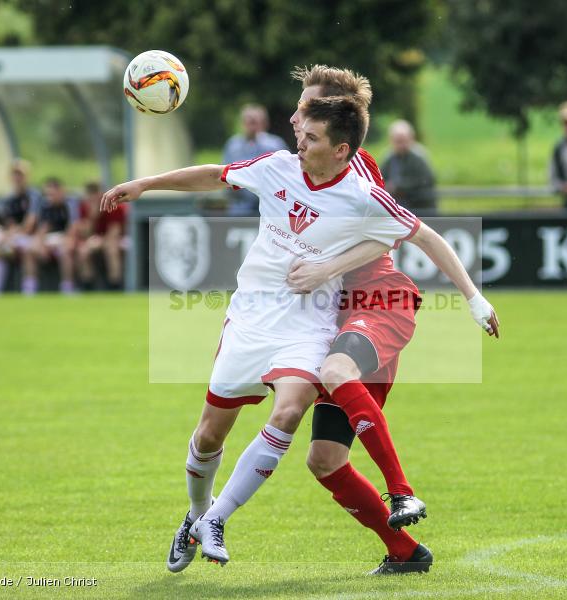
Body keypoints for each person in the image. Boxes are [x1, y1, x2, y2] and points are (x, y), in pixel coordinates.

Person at [102, 95, 497, 570]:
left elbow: (417, 234)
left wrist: (474, 300)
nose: (296, 133)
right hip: (250, 316)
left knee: (290, 409)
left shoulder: (362, 187)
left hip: (313, 320)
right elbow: (215, 174)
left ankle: (220, 518)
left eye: (308, 131)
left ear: (341, 149)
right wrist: (146, 183)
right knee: (212, 435)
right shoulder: (278, 166)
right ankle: (197, 515)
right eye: (299, 125)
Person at [285, 65, 499, 575]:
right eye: (299, 107)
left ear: (336, 119)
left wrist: (474, 299)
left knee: (334, 375)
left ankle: (403, 492)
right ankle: (405, 553)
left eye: (307, 106)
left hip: (378, 304)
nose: (296, 115)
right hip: (335, 317)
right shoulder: (296, 165)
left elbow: (406, 235)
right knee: (323, 460)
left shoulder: (356, 171)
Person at [0, 160, 42, 295]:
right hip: (12, 237)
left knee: (21, 250)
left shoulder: (33, 196)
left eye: (20, 175)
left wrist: (8, 237)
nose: (17, 178)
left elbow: (29, 225)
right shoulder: (9, 199)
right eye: (15, 174)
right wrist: (6, 236)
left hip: (31, 237)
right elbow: (8, 224)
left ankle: (29, 290)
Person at [222, 104, 288, 216]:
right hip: (240, 206)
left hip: (269, 205)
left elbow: (285, 174)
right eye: (249, 122)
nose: (252, 127)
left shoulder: (275, 145)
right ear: (243, 123)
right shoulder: (233, 145)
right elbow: (224, 174)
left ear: (264, 124)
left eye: (255, 122)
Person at [24, 178, 79, 294]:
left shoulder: (69, 204)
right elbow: (43, 229)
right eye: (48, 194)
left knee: (65, 252)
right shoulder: (45, 206)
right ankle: (30, 287)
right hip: (50, 240)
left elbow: (72, 228)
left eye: (52, 193)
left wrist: (64, 242)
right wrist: (41, 245)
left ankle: (67, 287)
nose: (50, 197)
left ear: (61, 191)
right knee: (29, 250)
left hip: (64, 238)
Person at [380, 120, 438, 216]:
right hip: (397, 209)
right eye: (398, 142)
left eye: (403, 141)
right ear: (391, 140)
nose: (401, 145)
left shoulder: (419, 157)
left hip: (420, 208)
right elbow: (380, 178)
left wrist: (398, 187)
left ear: (411, 139)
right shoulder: (388, 158)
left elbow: (426, 180)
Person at [76, 182, 126, 291]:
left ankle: (115, 286)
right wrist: (93, 216)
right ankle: (87, 286)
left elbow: (115, 232)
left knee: (111, 250)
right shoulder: (85, 207)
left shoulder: (114, 205)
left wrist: (101, 241)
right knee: (83, 250)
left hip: (116, 238)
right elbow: (85, 234)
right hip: (96, 239)